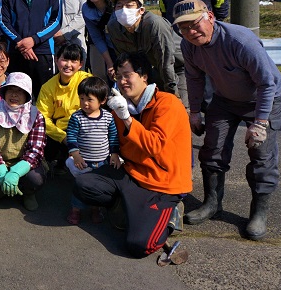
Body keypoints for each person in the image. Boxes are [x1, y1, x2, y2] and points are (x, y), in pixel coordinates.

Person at [175, 0, 281, 241]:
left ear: (210, 17)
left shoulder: (240, 41)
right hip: (225, 99)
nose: (191, 32)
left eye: (195, 24)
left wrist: (259, 123)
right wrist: (194, 112)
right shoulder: (189, 45)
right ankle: (212, 203)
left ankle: (258, 213)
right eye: (183, 28)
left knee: (261, 154)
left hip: (263, 99)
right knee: (212, 149)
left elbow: (267, 84)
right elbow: (194, 79)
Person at [73, 53, 192, 258]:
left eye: (128, 75)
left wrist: (126, 118)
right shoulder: (121, 105)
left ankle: (170, 213)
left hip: (162, 183)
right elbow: (113, 139)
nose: (122, 81)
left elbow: (153, 146)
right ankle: (125, 208)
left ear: (144, 76)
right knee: (83, 183)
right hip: (132, 172)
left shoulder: (167, 104)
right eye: (118, 77)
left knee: (139, 246)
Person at [0, 72, 47, 211]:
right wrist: (3, 173)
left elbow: (36, 150)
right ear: (4, 92)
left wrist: (15, 172)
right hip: (0, 161)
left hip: (25, 162)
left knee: (35, 179)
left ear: (27, 95)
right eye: (11, 90)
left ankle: (28, 193)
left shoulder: (36, 115)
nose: (14, 95)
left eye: (20, 91)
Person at [0, 0, 61, 96]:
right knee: (16, 97)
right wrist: (22, 44)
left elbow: (56, 21)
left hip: (43, 52)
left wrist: (33, 40)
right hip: (16, 52)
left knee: (44, 97)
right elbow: (3, 23)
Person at [107, 0, 184, 100]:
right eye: (119, 6)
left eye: (129, 5)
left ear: (141, 10)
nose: (123, 10)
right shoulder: (113, 27)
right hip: (152, 69)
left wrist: (173, 94)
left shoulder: (155, 25)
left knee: (179, 107)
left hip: (178, 68)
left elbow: (166, 62)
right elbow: (124, 59)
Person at [64, 76, 119, 225]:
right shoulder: (77, 117)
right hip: (83, 161)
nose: (85, 103)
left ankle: (96, 209)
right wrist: (76, 155)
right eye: (81, 99)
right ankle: (76, 210)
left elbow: (113, 136)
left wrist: (114, 154)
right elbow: (71, 137)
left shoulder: (108, 117)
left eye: (89, 99)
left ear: (102, 100)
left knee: (96, 189)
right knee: (80, 187)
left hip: (102, 162)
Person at [35, 42, 93, 169]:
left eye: (73, 61)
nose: (68, 65)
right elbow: (42, 117)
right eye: (64, 60)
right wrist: (63, 137)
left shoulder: (87, 80)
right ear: (56, 60)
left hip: (84, 128)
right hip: (60, 132)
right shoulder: (48, 87)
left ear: (80, 65)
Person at [77, 0, 117, 81]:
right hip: (108, 50)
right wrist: (109, 63)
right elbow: (97, 37)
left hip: (126, 49)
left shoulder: (117, 5)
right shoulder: (86, 9)